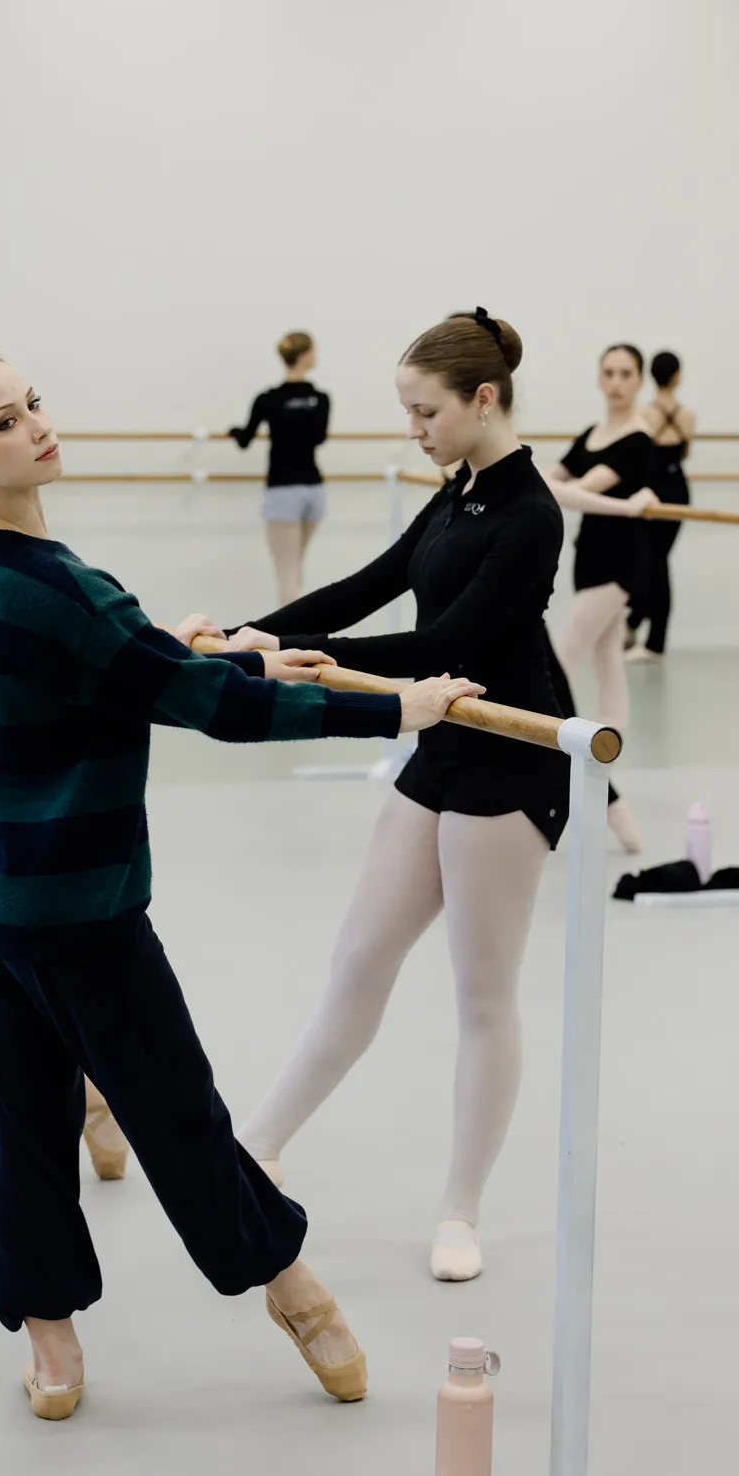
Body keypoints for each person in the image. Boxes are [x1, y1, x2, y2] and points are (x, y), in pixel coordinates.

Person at [0, 343, 477, 1419]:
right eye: (5, 422)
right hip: (77, 918)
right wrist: (394, 708)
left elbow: (122, 672)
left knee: (25, 1125)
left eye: (34, 405)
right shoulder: (56, 582)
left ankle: (53, 1342)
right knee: (174, 1117)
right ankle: (294, 1292)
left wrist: (212, 650)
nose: (37, 426)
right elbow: (202, 705)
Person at [229, 308, 571, 1284]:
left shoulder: (529, 514)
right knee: (359, 957)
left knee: (481, 995)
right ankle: (260, 1143)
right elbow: (372, 583)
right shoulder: (457, 493)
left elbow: (443, 644)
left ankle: (461, 1210)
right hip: (442, 743)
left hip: (511, 759)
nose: (415, 430)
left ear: (484, 399)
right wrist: (256, 632)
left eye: (426, 412)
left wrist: (306, 663)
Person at [544, 344, 657, 853]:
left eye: (625, 374)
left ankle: (586, 759)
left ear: (639, 382)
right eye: (608, 373)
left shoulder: (638, 439)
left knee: (562, 656)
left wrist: (629, 510)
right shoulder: (593, 434)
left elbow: (574, 488)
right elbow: (556, 476)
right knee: (605, 653)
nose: (615, 382)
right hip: (591, 553)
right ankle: (605, 757)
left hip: (622, 559)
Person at [230, 331, 330, 606]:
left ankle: (291, 640)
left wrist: (233, 431)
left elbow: (245, 440)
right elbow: (319, 437)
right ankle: (297, 637)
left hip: (283, 490)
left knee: (287, 575)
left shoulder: (268, 399)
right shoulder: (320, 399)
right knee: (295, 570)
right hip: (314, 489)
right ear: (305, 356)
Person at [625, 350, 697, 661]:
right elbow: (685, 454)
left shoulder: (644, 413)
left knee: (654, 562)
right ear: (677, 376)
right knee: (654, 561)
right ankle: (635, 624)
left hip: (652, 489)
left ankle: (650, 638)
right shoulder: (688, 415)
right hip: (678, 488)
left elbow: (639, 455)